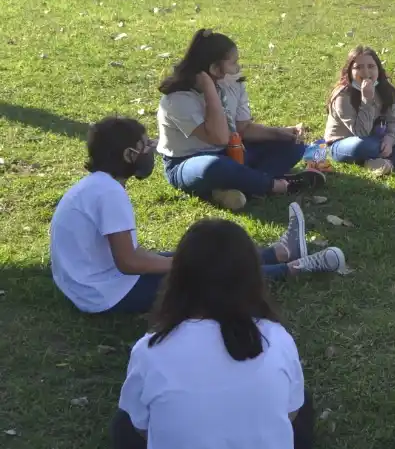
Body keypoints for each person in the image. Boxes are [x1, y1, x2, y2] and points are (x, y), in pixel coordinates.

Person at [111, 218, 315, 449]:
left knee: (123, 424)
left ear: (178, 280)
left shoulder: (150, 351)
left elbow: (143, 432)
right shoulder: (276, 339)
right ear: (252, 278)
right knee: (300, 400)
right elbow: (290, 417)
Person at [50, 117, 347, 315]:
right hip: (106, 293)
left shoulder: (97, 186)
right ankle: (296, 268)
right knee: (205, 273)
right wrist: (179, 266)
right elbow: (128, 262)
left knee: (198, 255)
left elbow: (127, 255)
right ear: (129, 155)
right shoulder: (109, 194)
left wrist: (176, 260)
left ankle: (280, 252)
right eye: (146, 146)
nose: (151, 151)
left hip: (92, 283)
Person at [157, 29, 321, 211]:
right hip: (188, 161)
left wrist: (281, 133)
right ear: (214, 69)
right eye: (233, 63)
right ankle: (274, 185)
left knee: (294, 145)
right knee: (214, 166)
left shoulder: (233, 82)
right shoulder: (177, 99)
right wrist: (210, 90)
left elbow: (243, 129)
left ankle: (230, 189)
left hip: (233, 150)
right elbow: (218, 137)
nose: (238, 68)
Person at [324, 46, 395, 176]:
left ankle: (386, 162)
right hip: (347, 142)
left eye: (371, 66)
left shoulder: (386, 89)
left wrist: (390, 139)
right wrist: (366, 100)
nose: (366, 72)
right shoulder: (342, 96)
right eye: (358, 67)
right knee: (368, 145)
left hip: (378, 137)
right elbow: (361, 133)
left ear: (378, 69)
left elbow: (394, 121)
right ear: (349, 71)